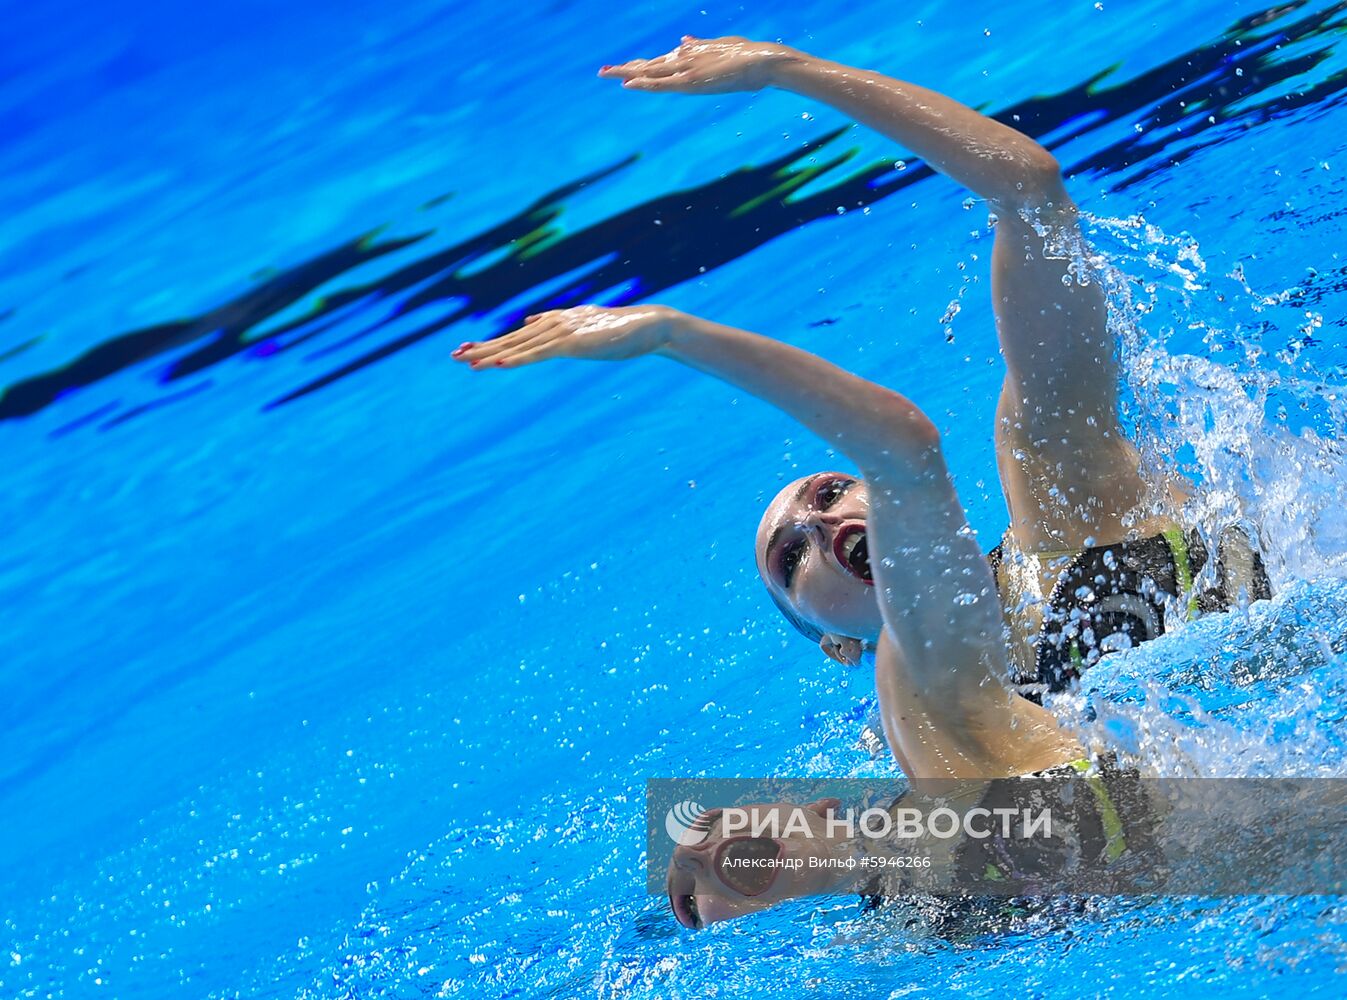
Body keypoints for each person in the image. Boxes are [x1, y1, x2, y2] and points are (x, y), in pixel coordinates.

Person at [452, 35, 1271, 920]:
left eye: (824, 491)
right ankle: (825, 867)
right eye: (787, 559)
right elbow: (900, 457)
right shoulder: (909, 688)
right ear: (831, 642)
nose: (818, 526)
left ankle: (829, 863)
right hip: (1083, 861)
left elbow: (1028, 191)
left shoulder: (1062, 496)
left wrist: (789, 72)